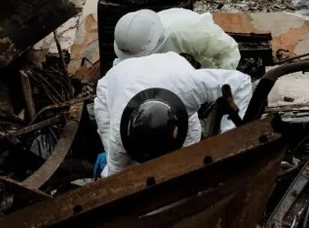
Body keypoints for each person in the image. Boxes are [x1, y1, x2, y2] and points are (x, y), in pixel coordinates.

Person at [94, 51, 252, 177]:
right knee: (127, 172)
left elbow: (241, 83)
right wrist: (109, 170)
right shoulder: (119, 137)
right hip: (111, 86)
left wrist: (229, 137)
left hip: (171, 71)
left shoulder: (189, 88)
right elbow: (117, 180)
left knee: (190, 158)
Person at [112, 8, 240, 70]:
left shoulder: (187, 32)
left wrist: (220, 86)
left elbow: (228, 51)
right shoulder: (133, 41)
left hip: (202, 70)